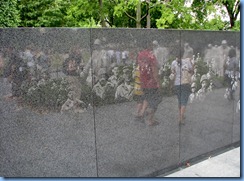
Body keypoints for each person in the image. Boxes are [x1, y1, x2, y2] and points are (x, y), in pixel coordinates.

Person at [135, 43, 161, 126]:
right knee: (155, 101)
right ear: (149, 46)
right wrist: (158, 82)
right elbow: (154, 71)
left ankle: (141, 114)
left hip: (143, 82)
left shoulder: (140, 55)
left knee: (146, 98)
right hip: (151, 82)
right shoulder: (151, 55)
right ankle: (150, 120)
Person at [170, 52, 193, 125]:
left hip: (177, 84)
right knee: (184, 102)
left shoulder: (173, 63)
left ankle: (181, 115)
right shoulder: (187, 61)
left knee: (180, 101)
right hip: (185, 83)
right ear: (183, 54)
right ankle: (180, 118)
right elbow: (191, 71)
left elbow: (172, 74)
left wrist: (171, 84)